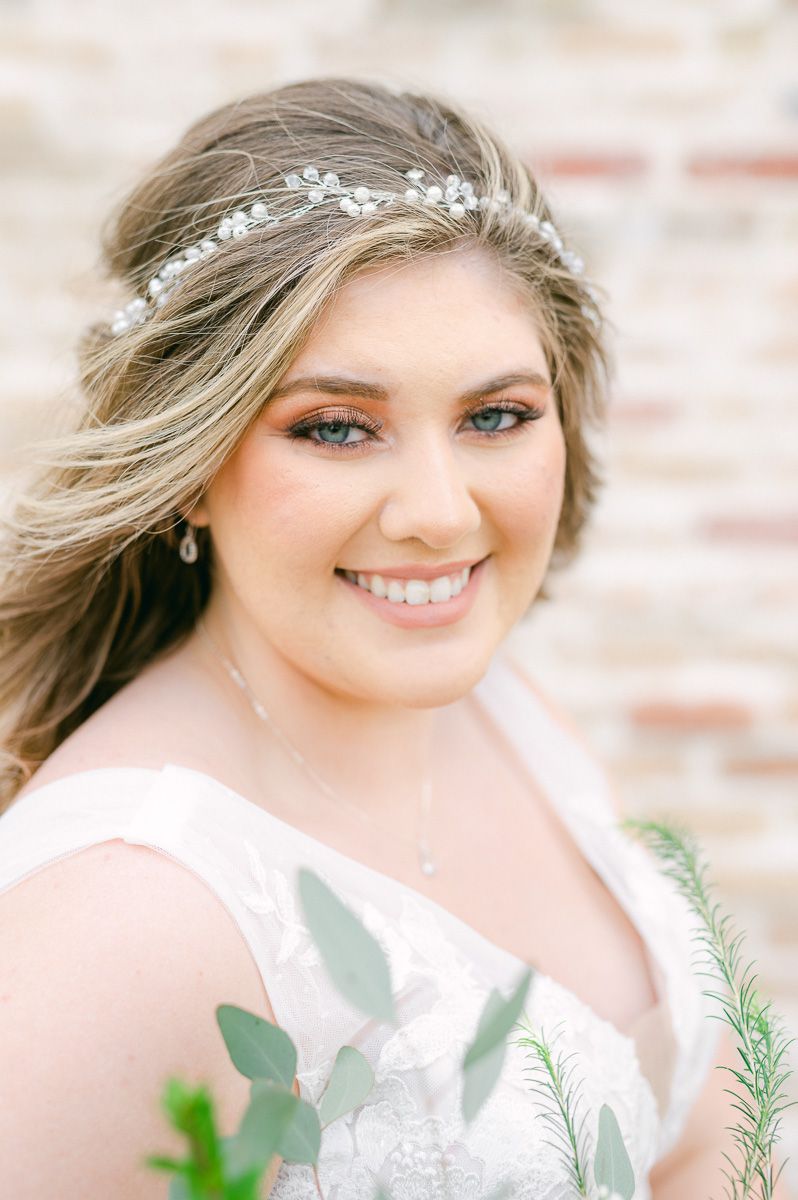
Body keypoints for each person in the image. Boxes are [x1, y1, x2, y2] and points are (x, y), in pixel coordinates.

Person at [0, 76, 781, 1200]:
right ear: (190, 467)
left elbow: (695, 1137)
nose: (441, 513)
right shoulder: (116, 916)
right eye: (336, 428)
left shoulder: (504, 712)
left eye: (496, 416)